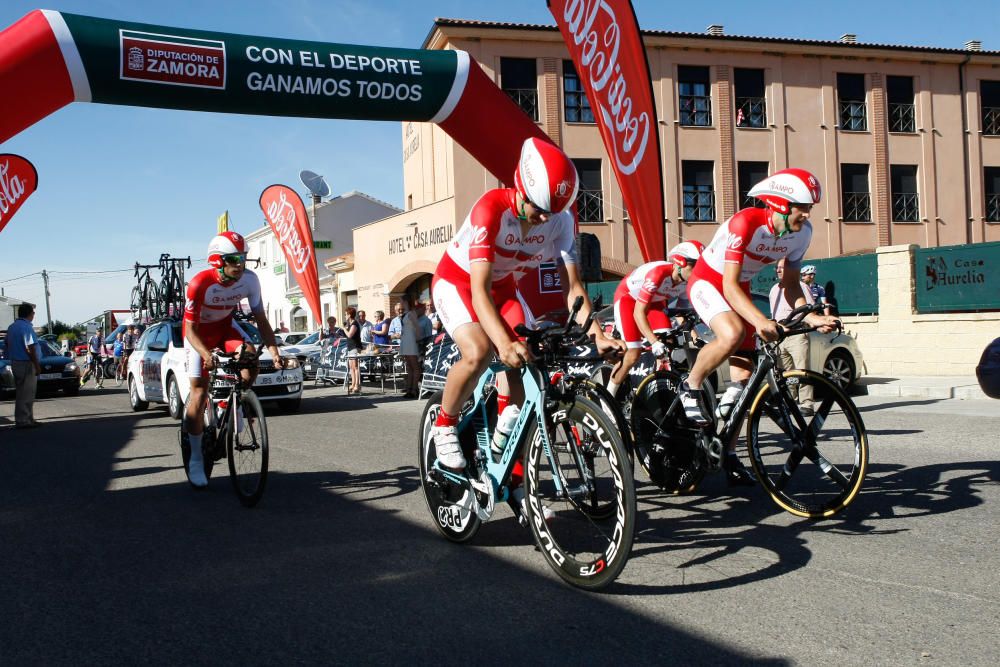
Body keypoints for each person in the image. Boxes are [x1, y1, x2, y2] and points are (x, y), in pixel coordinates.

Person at [429, 137, 622, 472]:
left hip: (503, 291)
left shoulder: (560, 220)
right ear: (520, 188)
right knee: (479, 352)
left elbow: (573, 288)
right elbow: (478, 291)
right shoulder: (490, 210)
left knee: (525, 361)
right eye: (539, 210)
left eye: (554, 212)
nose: (546, 219)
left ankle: (511, 472)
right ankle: (444, 424)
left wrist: (598, 334)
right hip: (457, 284)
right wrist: (502, 343)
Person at [683, 168, 840, 486]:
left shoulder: (803, 234)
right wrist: (760, 321)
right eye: (802, 207)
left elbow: (792, 284)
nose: (807, 214)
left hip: (738, 287)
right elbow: (727, 285)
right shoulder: (746, 223)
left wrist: (810, 317)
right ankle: (691, 386)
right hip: (710, 282)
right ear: (781, 204)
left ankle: (724, 452)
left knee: (743, 384)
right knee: (732, 333)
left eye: (810, 208)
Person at [182, 231, 282, 488]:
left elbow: (261, 320)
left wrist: (274, 351)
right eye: (234, 258)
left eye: (243, 258)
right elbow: (191, 329)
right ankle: (195, 458)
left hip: (226, 329)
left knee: (250, 358)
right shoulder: (199, 283)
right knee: (199, 393)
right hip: (197, 335)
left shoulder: (250, 280)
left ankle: (236, 401)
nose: (240, 264)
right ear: (217, 260)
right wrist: (205, 354)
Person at [606, 241, 705, 398]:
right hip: (628, 299)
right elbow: (639, 312)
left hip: (654, 303)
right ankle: (607, 399)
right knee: (634, 353)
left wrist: (695, 338)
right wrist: (653, 342)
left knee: (669, 341)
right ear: (680, 262)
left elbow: (683, 315)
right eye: (695, 266)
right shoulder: (658, 274)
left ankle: (659, 385)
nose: (698, 271)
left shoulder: (687, 282)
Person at [769, 258, 816, 415]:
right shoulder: (773, 290)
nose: (779, 270)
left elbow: (809, 310)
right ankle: (790, 401)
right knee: (785, 373)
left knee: (802, 370)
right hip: (781, 337)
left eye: (782, 267)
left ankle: (807, 404)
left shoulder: (801, 286)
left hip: (797, 334)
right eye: (777, 267)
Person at [7, 303, 42, 429]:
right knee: (27, 393)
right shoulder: (26, 327)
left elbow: (7, 343)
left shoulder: (12, 327)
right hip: (27, 362)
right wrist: (36, 365)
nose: (33, 315)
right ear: (29, 314)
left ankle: (28, 418)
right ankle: (24, 420)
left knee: (23, 392)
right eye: (33, 313)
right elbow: (30, 348)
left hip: (16, 361)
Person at [397, 296, 422, 398]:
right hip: (406, 341)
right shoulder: (406, 313)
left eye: (401, 301)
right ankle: (410, 388)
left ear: (406, 302)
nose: (400, 303)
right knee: (409, 367)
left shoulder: (411, 313)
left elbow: (417, 327)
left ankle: (414, 389)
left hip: (411, 341)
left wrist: (417, 340)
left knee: (414, 366)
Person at [344, 306, 363, 394]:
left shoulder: (355, 324)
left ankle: (357, 385)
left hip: (355, 347)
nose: (345, 316)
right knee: (351, 367)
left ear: (349, 314)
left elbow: (350, 335)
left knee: (355, 367)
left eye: (346, 314)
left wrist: (343, 328)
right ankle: (353, 383)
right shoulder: (349, 324)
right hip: (350, 347)